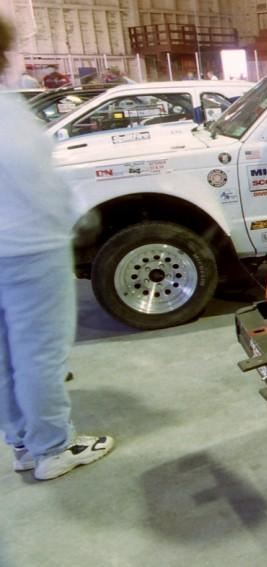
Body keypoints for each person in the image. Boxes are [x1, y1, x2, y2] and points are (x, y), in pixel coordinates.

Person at [0, 17, 114, 481]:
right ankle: (53, 448)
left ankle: (22, 443)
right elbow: (36, 178)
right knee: (39, 354)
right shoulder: (9, 114)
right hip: (30, 250)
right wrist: (77, 217)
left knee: (6, 354)